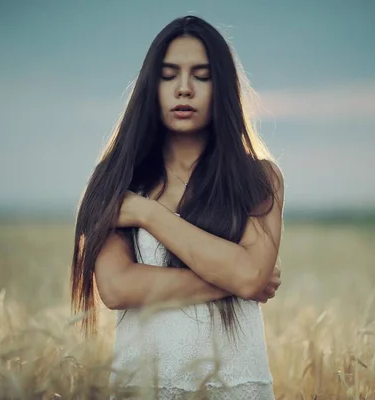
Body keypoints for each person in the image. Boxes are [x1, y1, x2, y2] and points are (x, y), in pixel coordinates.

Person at [70, 15, 285, 400]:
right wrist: (234, 278)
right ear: (150, 88)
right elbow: (117, 287)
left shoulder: (258, 179)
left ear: (222, 88)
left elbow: (252, 278)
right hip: (145, 387)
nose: (183, 89)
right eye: (169, 75)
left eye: (201, 76)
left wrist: (148, 214)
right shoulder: (117, 178)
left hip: (236, 386)